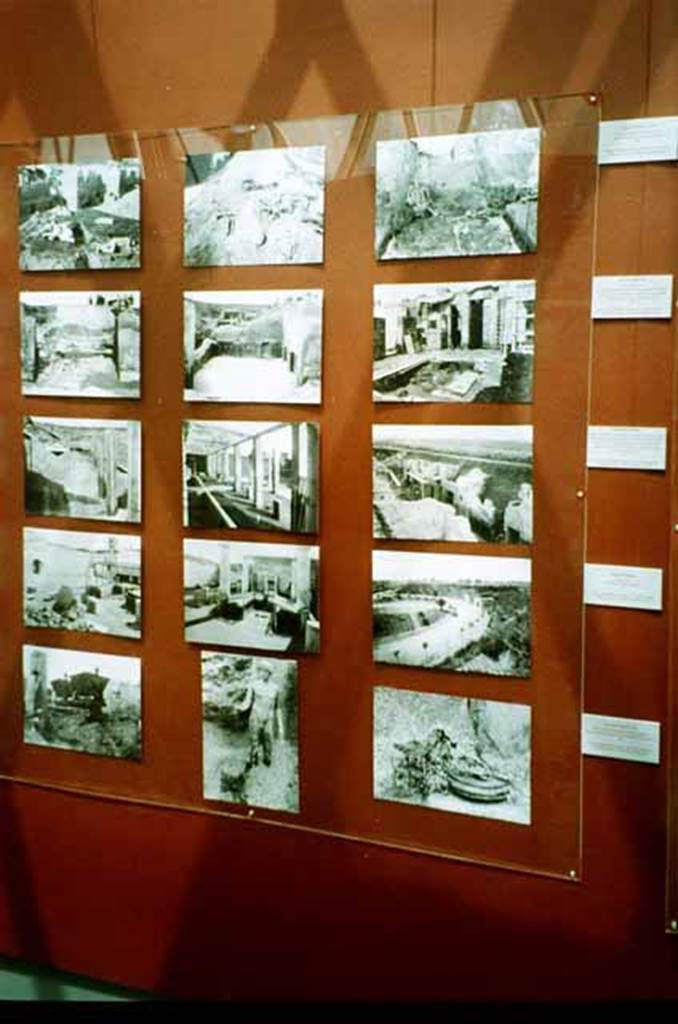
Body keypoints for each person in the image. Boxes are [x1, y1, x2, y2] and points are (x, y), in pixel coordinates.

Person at [247, 664, 284, 769]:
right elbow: (247, 702)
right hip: (256, 715)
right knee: (254, 739)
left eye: (265, 671)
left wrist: (281, 727)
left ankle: (267, 759)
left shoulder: (275, 688)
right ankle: (253, 758)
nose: (262, 673)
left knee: (268, 737)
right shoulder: (254, 685)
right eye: (260, 671)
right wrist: (238, 708)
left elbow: (278, 707)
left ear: (269, 673)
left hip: (269, 717)